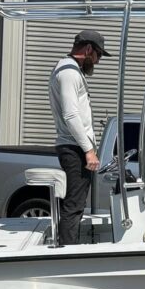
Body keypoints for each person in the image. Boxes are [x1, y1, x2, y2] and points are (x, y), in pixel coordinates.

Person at [49, 29, 111, 245]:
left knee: (75, 203)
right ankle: (67, 252)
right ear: (88, 49)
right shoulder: (69, 73)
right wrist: (89, 150)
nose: (99, 60)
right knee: (74, 205)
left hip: (75, 146)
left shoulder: (71, 71)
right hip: (74, 148)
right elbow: (71, 114)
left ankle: (67, 245)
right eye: (99, 54)